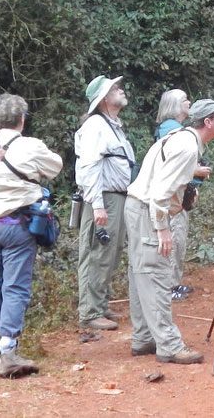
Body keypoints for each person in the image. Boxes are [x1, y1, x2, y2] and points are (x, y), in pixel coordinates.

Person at [125, 98, 214, 364]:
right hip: (148, 210)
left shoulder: (180, 138)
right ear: (208, 122)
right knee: (157, 274)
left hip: (138, 206)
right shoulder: (187, 146)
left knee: (141, 274)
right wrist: (162, 229)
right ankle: (169, 345)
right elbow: (160, 194)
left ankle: (144, 337)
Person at [0, 94, 63, 378]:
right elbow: (55, 166)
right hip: (19, 226)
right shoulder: (31, 146)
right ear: (22, 119)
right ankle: (7, 351)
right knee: (15, 287)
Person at [75, 75, 136, 332]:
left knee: (110, 251)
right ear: (103, 99)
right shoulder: (95, 126)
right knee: (97, 251)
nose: (120, 90)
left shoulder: (112, 125)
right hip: (104, 197)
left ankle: (100, 304)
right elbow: (89, 166)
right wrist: (97, 204)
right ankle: (90, 311)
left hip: (116, 197)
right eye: (114, 88)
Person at [155, 89, 212, 301]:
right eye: (185, 100)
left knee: (178, 237)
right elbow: (172, 163)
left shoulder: (173, 128)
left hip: (177, 193)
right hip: (173, 196)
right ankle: (170, 286)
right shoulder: (172, 129)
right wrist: (197, 170)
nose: (189, 102)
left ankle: (173, 283)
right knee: (175, 238)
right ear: (174, 106)